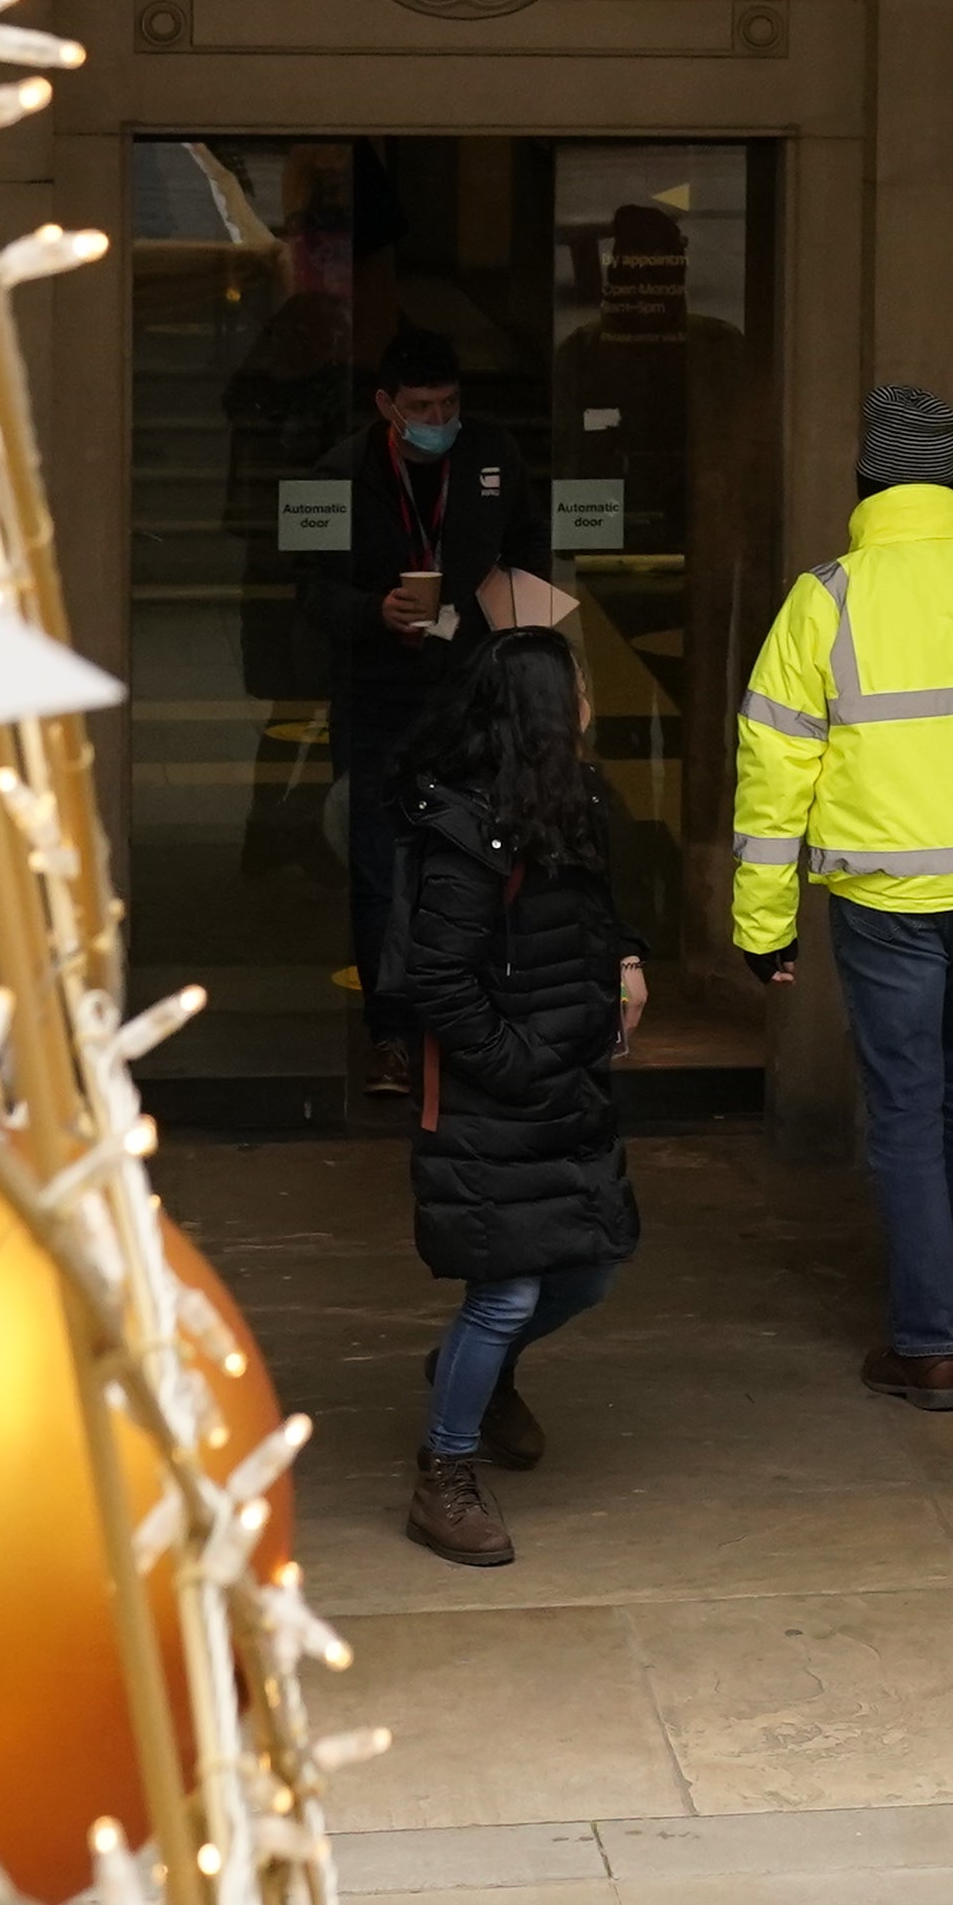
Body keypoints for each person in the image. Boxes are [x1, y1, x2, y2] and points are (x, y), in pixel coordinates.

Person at [730, 383, 953, 1410]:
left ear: (863, 485)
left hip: (886, 891)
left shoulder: (827, 598)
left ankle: (929, 1339)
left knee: (905, 1104)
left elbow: (773, 774)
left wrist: (763, 926)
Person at [386, 627, 642, 1570]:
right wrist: (521, 1060)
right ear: (545, 707)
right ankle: (442, 1474)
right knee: (506, 1290)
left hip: (561, 1076)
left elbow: (596, 903)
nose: (589, 700)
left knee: (596, 1263)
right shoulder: (465, 832)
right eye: (576, 685)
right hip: (495, 1090)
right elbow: (438, 983)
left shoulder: (567, 800)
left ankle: (473, 1377)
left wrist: (624, 958)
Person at [308, 331, 548, 1095]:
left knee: (482, 854)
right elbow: (306, 591)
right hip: (379, 695)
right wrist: (372, 612)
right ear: (386, 407)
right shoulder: (337, 473)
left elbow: (531, 558)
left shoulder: (494, 456)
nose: (437, 418)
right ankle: (392, 1032)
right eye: (420, 407)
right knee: (382, 870)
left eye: (447, 404)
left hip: (472, 691)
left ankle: (471, 1023)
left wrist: (521, 652)